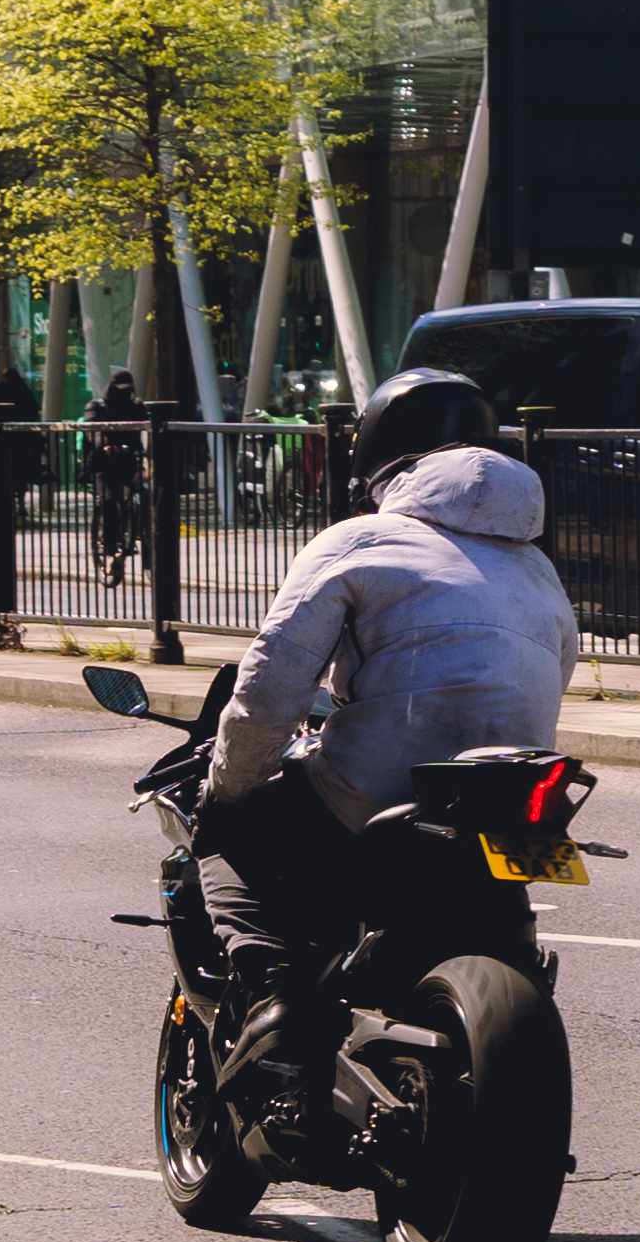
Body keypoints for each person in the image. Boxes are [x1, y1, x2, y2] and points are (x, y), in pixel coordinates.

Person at [193, 368, 579, 1134]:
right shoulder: (539, 570)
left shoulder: (359, 541)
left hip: (378, 794)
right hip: (510, 798)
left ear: (376, 456)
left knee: (231, 837)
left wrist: (229, 784)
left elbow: (269, 686)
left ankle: (276, 1000)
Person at [85, 366, 146, 587]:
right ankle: (110, 547)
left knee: (146, 497)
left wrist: (147, 456)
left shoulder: (136, 406)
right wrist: (104, 445)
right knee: (109, 501)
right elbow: (92, 429)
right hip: (106, 463)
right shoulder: (98, 406)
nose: (124, 392)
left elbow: (147, 427)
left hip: (130, 460)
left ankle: (145, 542)